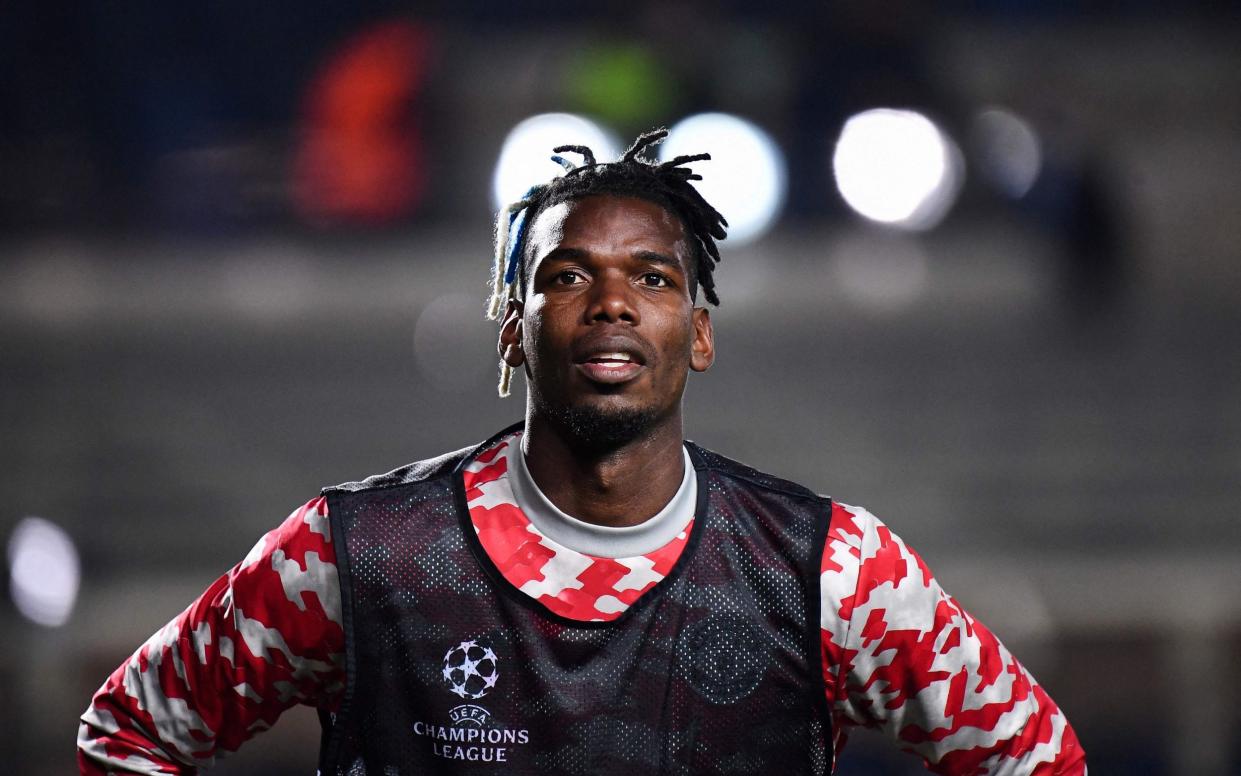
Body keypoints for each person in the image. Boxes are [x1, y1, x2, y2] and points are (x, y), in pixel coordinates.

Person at [78, 129, 1086, 774]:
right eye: (567, 275)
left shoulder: (830, 569)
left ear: (696, 330)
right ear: (512, 330)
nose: (609, 301)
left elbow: (1034, 757)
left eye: (650, 277)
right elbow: (128, 730)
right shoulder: (354, 552)